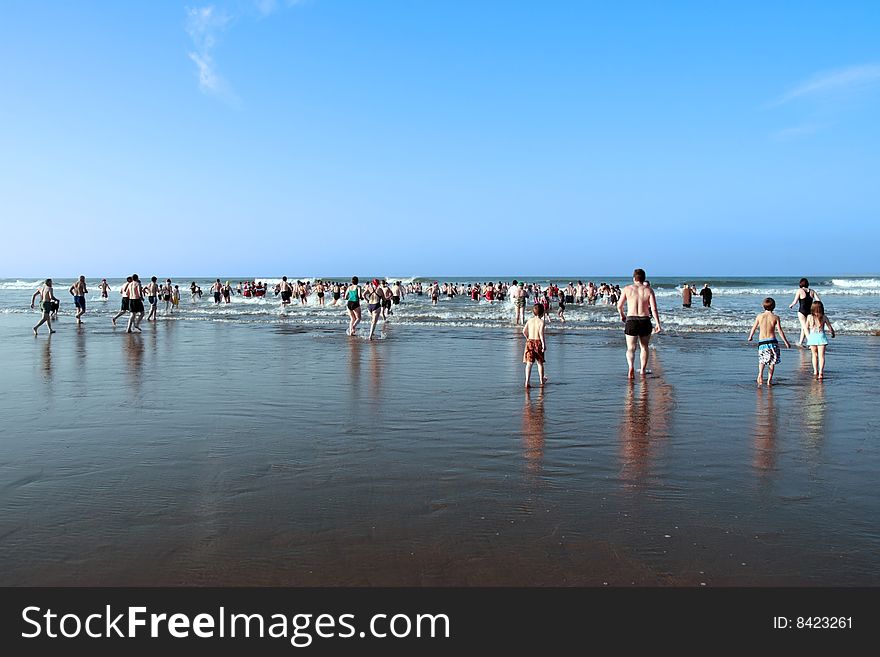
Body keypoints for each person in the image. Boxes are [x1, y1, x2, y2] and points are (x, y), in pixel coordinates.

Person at [617, 268, 662, 379]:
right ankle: (642, 370)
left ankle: (631, 367)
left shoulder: (627, 289)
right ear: (644, 278)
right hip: (645, 320)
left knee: (631, 348)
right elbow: (654, 309)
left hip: (631, 320)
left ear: (634, 278)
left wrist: (622, 315)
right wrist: (658, 324)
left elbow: (619, 305)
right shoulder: (649, 290)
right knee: (644, 347)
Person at [747, 297, 791, 386]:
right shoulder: (775, 317)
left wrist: (750, 336)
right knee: (772, 362)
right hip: (772, 342)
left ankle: (760, 374)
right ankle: (769, 380)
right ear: (774, 306)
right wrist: (786, 342)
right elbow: (780, 331)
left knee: (762, 360)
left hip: (762, 342)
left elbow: (754, 327)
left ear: (763, 306)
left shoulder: (759, 316)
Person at [805, 300, 835, 380]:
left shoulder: (809, 317)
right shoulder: (824, 316)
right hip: (821, 336)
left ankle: (815, 371)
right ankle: (821, 372)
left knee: (814, 355)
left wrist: (807, 336)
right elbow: (830, 327)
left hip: (812, 337)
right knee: (821, 356)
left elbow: (805, 327)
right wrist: (832, 333)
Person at [789, 278, 820, 348]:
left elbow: (795, 301)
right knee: (804, 327)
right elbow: (818, 301)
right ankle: (800, 342)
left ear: (800, 284)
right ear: (807, 284)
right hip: (810, 312)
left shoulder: (799, 290)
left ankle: (811, 342)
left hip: (802, 311)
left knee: (805, 327)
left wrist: (791, 305)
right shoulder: (812, 291)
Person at [522, 303, 547, 388]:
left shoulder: (529, 320)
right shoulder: (541, 322)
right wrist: (544, 344)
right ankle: (541, 380)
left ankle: (527, 381)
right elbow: (541, 334)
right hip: (538, 342)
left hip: (530, 342)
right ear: (542, 312)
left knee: (529, 363)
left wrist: (527, 338)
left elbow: (524, 331)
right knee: (540, 363)